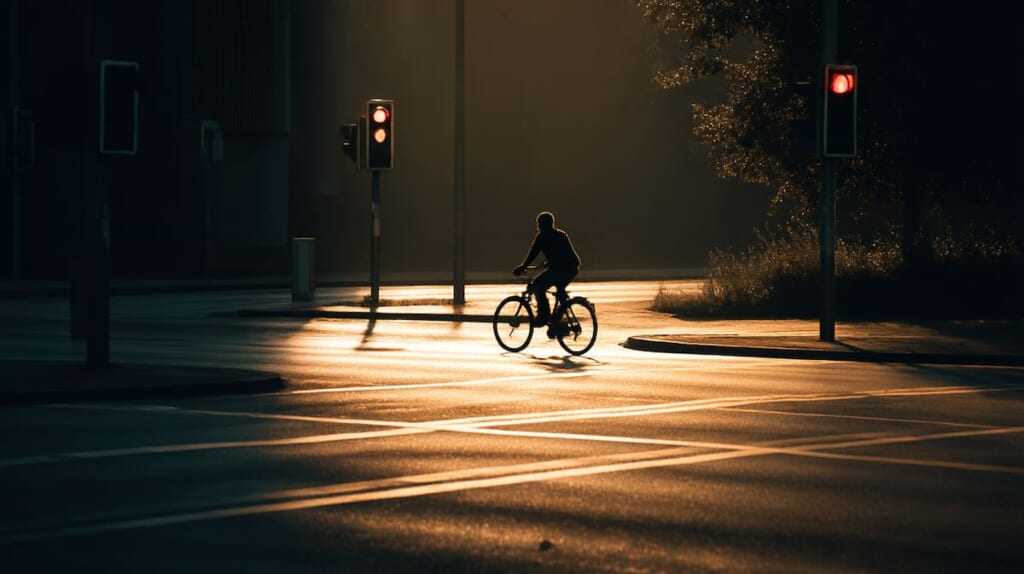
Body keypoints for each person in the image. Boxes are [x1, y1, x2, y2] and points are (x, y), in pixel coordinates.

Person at [513, 211, 581, 327]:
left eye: (540, 224)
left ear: (544, 225)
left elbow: (533, 254)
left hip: (564, 269)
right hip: (566, 268)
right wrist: (545, 263)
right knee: (558, 292)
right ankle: (557, 324)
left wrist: (522, 267)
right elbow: (557, 254)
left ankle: (544, 316)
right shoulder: (558, 235)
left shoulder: (545, 237)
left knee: (537, 285)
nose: (539, 227)